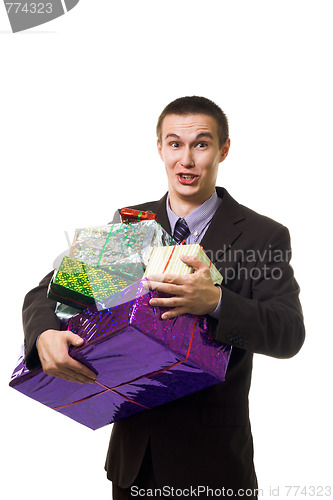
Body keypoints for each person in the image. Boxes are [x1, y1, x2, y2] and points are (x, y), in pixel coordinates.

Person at [22, 96, 305, 499]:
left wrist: (217, 302)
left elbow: (288, 332)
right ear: (160, 148)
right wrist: (44, 334)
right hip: (135, 465)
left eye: (201, 144)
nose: (186, 160)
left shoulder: (263, 235)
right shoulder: (130, 224)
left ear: (223, 149)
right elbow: (47, 292)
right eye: (175, 144)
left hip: (215, 467)